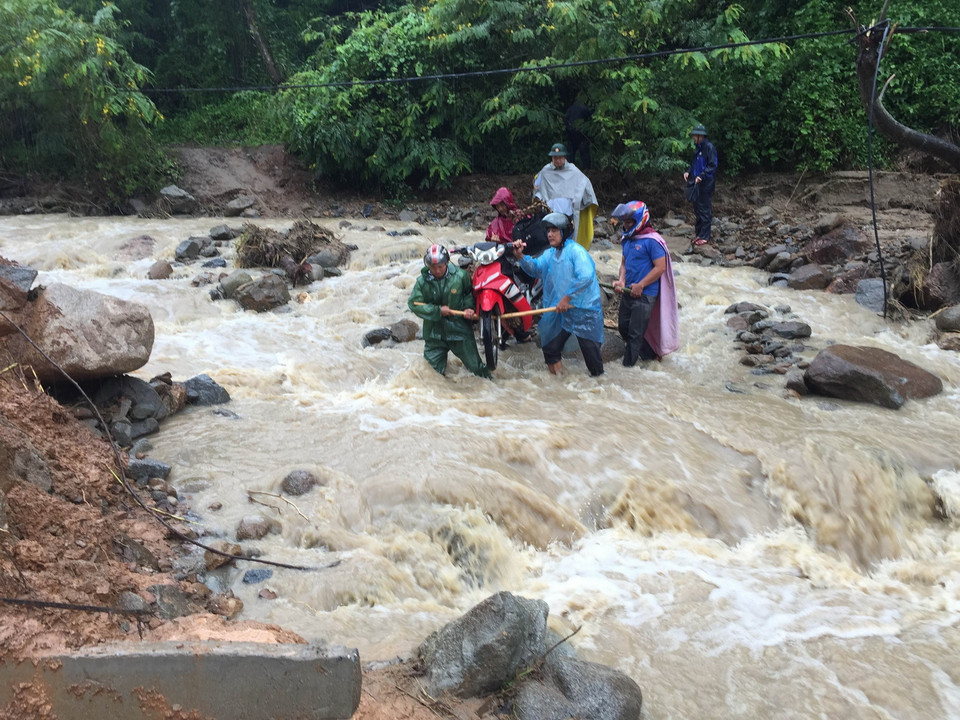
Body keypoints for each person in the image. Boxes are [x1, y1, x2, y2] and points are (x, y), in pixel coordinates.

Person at [512, 212, 604, 377]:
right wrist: (520, 256)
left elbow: (586, 277)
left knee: (592, 358)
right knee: (550, 349)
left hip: (583, 309)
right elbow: (536, 269)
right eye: (548, 230)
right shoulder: (550, 254)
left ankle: (599, 384)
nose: (549, 234)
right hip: (562, 310)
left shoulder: (576, 251)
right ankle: (562, 383)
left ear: (564, 231)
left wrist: (567, 298)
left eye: (554, 230)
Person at [611, 202, 680, 366]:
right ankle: (650, 356)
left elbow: (660, 267)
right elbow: (624, 263)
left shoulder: (652, 241)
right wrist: (621, 280)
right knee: (623, 327)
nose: (627, 225)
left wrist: (641, 285)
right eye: (625, 222)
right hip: (629, 290)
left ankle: (627, 369)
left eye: (630, 222)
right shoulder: (627, 239)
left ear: (640, 220)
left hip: (646, 294)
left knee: (635, 333)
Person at [408, 244, 491, 378]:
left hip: (459, 330)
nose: (437, 270)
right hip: (434, 333)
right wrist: (437, 311)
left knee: (477, 369)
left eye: (440, 266)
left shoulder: (460, 276)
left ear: (446, 262)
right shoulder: (422, 281)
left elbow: (469, 294)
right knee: (431, 375)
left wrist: (469, 308)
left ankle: (491, 385)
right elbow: (414, 304)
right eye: (433, 267)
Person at [534, 143, 599, 251]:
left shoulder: (573, 171)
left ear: (565, 157)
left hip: (568, 216)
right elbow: (537, 187)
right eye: (555, 158)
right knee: (551, 243)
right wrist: (540, 199)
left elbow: (585, 184)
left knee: (567, 243)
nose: (557, 160)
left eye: (560, 158)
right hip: (550, 215)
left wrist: (579, 200)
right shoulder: (545, 171)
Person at [683, 124, 718, 246]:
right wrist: (688, 171)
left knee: (704, 209)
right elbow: (694, 163)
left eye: (695, 136)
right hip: (696, 182)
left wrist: (702, 175)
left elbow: (713, 165)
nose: (693, 138)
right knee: (697, 209)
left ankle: (705, 236)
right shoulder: (698, 148)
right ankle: (699, 234)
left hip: (705, 184)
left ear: (701, 136)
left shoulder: (709, 147)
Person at [564, 99, 592, 169]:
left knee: (571, 152)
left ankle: (570, 168)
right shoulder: (584, 109)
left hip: (571, 132)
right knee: (584, 151)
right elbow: (590, 119)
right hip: (581, 133)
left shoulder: (570, 109)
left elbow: (565, 120)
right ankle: (586, 168)